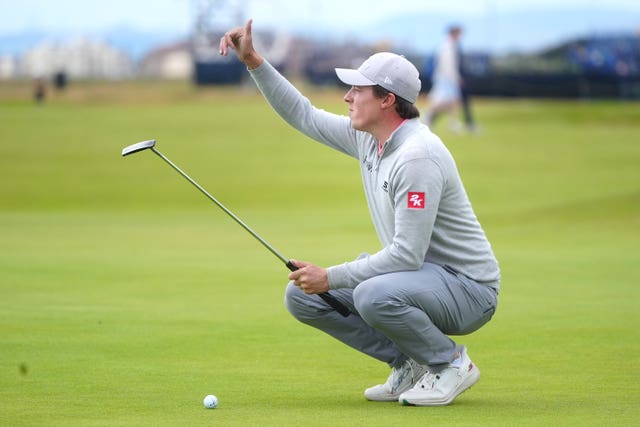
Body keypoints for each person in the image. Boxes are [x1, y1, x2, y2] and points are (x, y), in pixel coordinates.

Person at [220, 20, 500, 407]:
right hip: (419, 280)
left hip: (469, 290)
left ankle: (451, 363)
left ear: (387, 99)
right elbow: (303, 115)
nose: (347, 97)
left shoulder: (418, 156)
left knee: (370, 293)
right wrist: (253, 61)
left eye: (358, 89)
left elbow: (407, 254)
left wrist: (330, 276)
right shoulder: (368, 138)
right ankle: (410, 362)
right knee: (303, 297)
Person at [424, 25, 477, 133]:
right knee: (442, 101)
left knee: (452, 101)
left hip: (447, 78)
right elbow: (448, 65)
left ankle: (452, 123)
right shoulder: (447, 46)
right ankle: (428, 116)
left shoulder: (450, 45)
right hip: (445, 79)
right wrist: (455, 78)